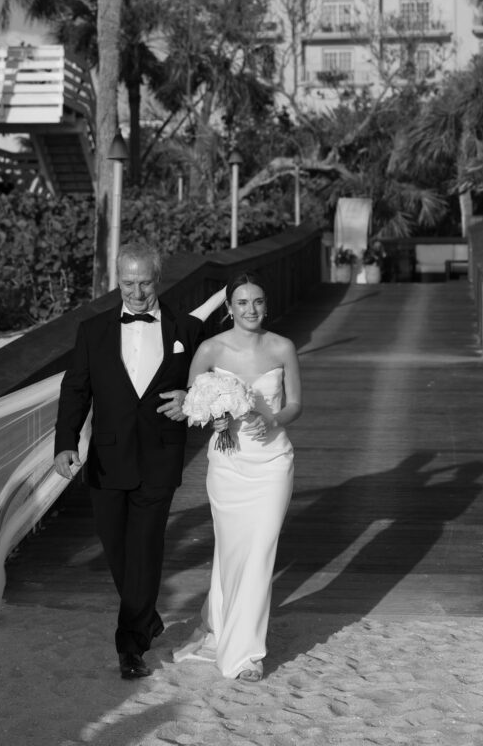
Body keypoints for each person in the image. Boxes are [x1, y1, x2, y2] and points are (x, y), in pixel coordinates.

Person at [53, 242, 223, 681]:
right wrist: (65, 443)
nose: (136, 292)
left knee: (145, 551)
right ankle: (146, 618)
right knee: (117, 552)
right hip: (107, 460)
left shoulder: (187, 328)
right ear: (118, 281)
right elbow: (76, 391)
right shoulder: (93, 331)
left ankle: (131, 646)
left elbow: (213, 380)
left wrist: (191, 398)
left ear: (158, 280)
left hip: (160, 459)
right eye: (128, 283)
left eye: (144, 282)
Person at [173, 271, 302, 682]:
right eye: (243, 303)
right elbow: (194, 401)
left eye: (258, 302)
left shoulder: (283, 346)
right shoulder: (210, 348)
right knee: (231, 552)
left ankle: (246, 655)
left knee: (261, 550)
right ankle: (216, 618)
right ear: (229, 308)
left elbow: (296, 403)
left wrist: (275, 419)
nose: (251, 310)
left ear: (266, 305)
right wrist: (214, 419)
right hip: (228, 465)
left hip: (272, 463)